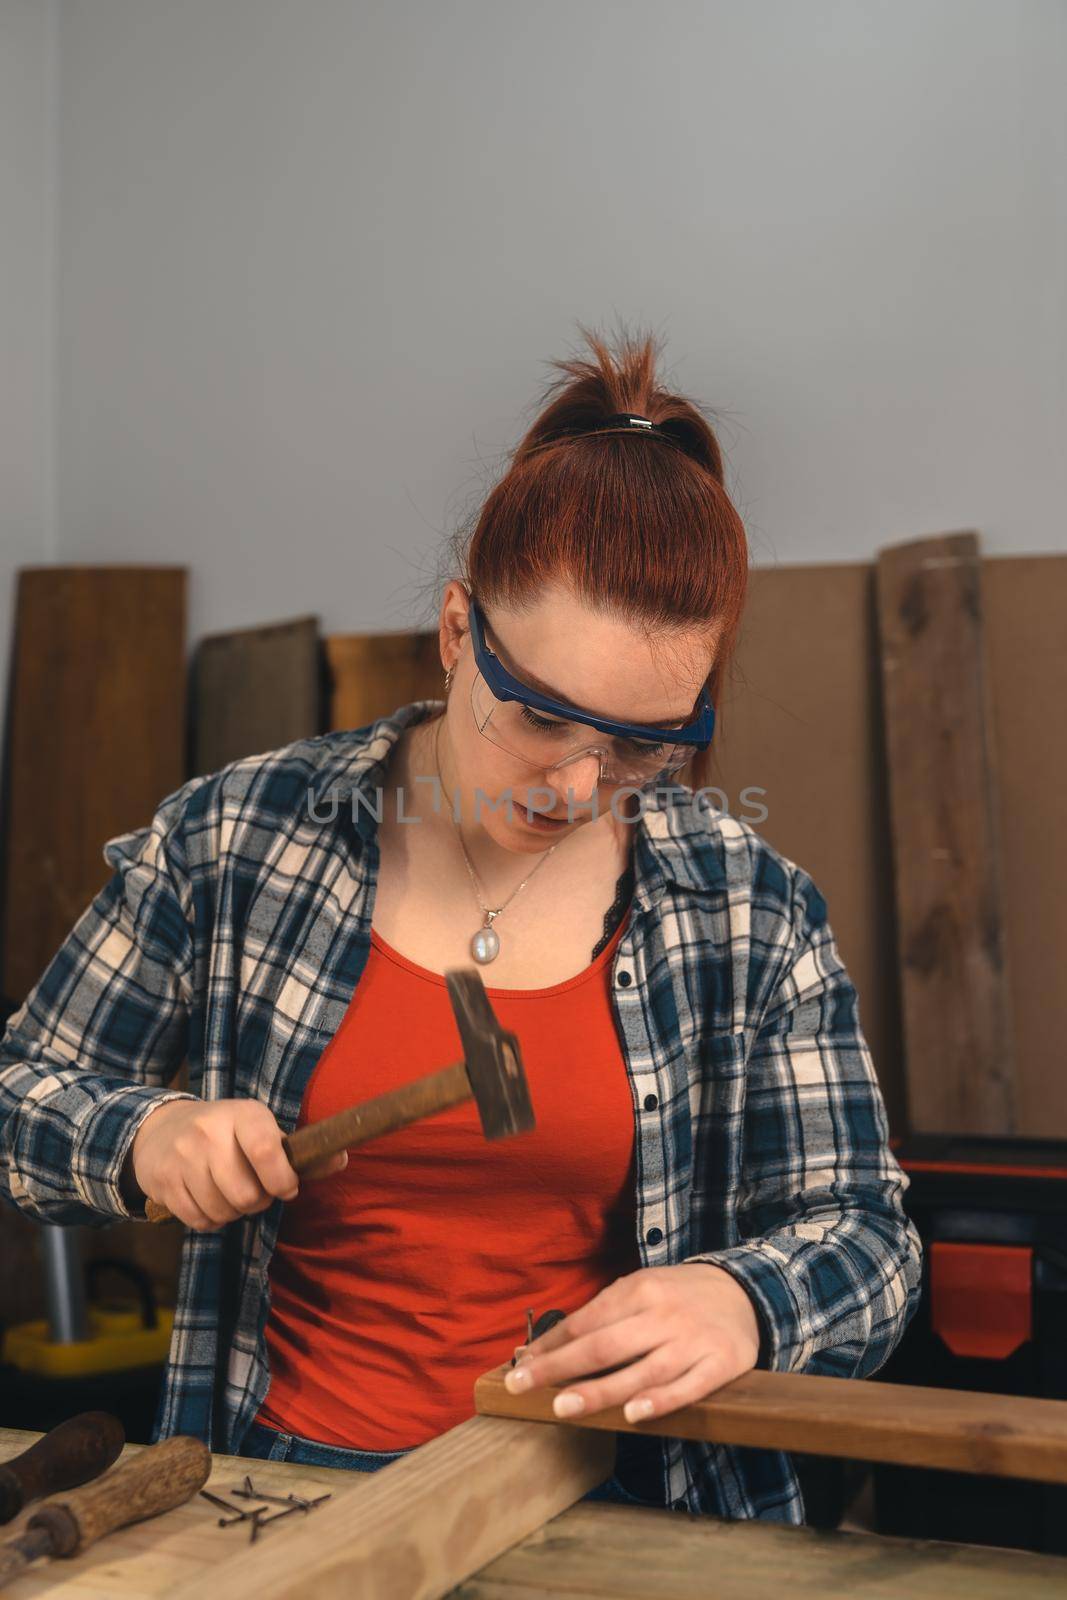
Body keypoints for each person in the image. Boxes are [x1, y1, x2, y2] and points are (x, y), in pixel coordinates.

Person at [0, 327, 922, 1522]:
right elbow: (22, 1096)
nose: (577, 788)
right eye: (540, 718)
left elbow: (870, 1242)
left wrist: (745, 1302)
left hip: (612, 1505)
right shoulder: (241, 838)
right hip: (281, 1493)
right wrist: (146, 1136)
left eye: (641, 744)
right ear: (455, 634)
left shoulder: (744, 908)